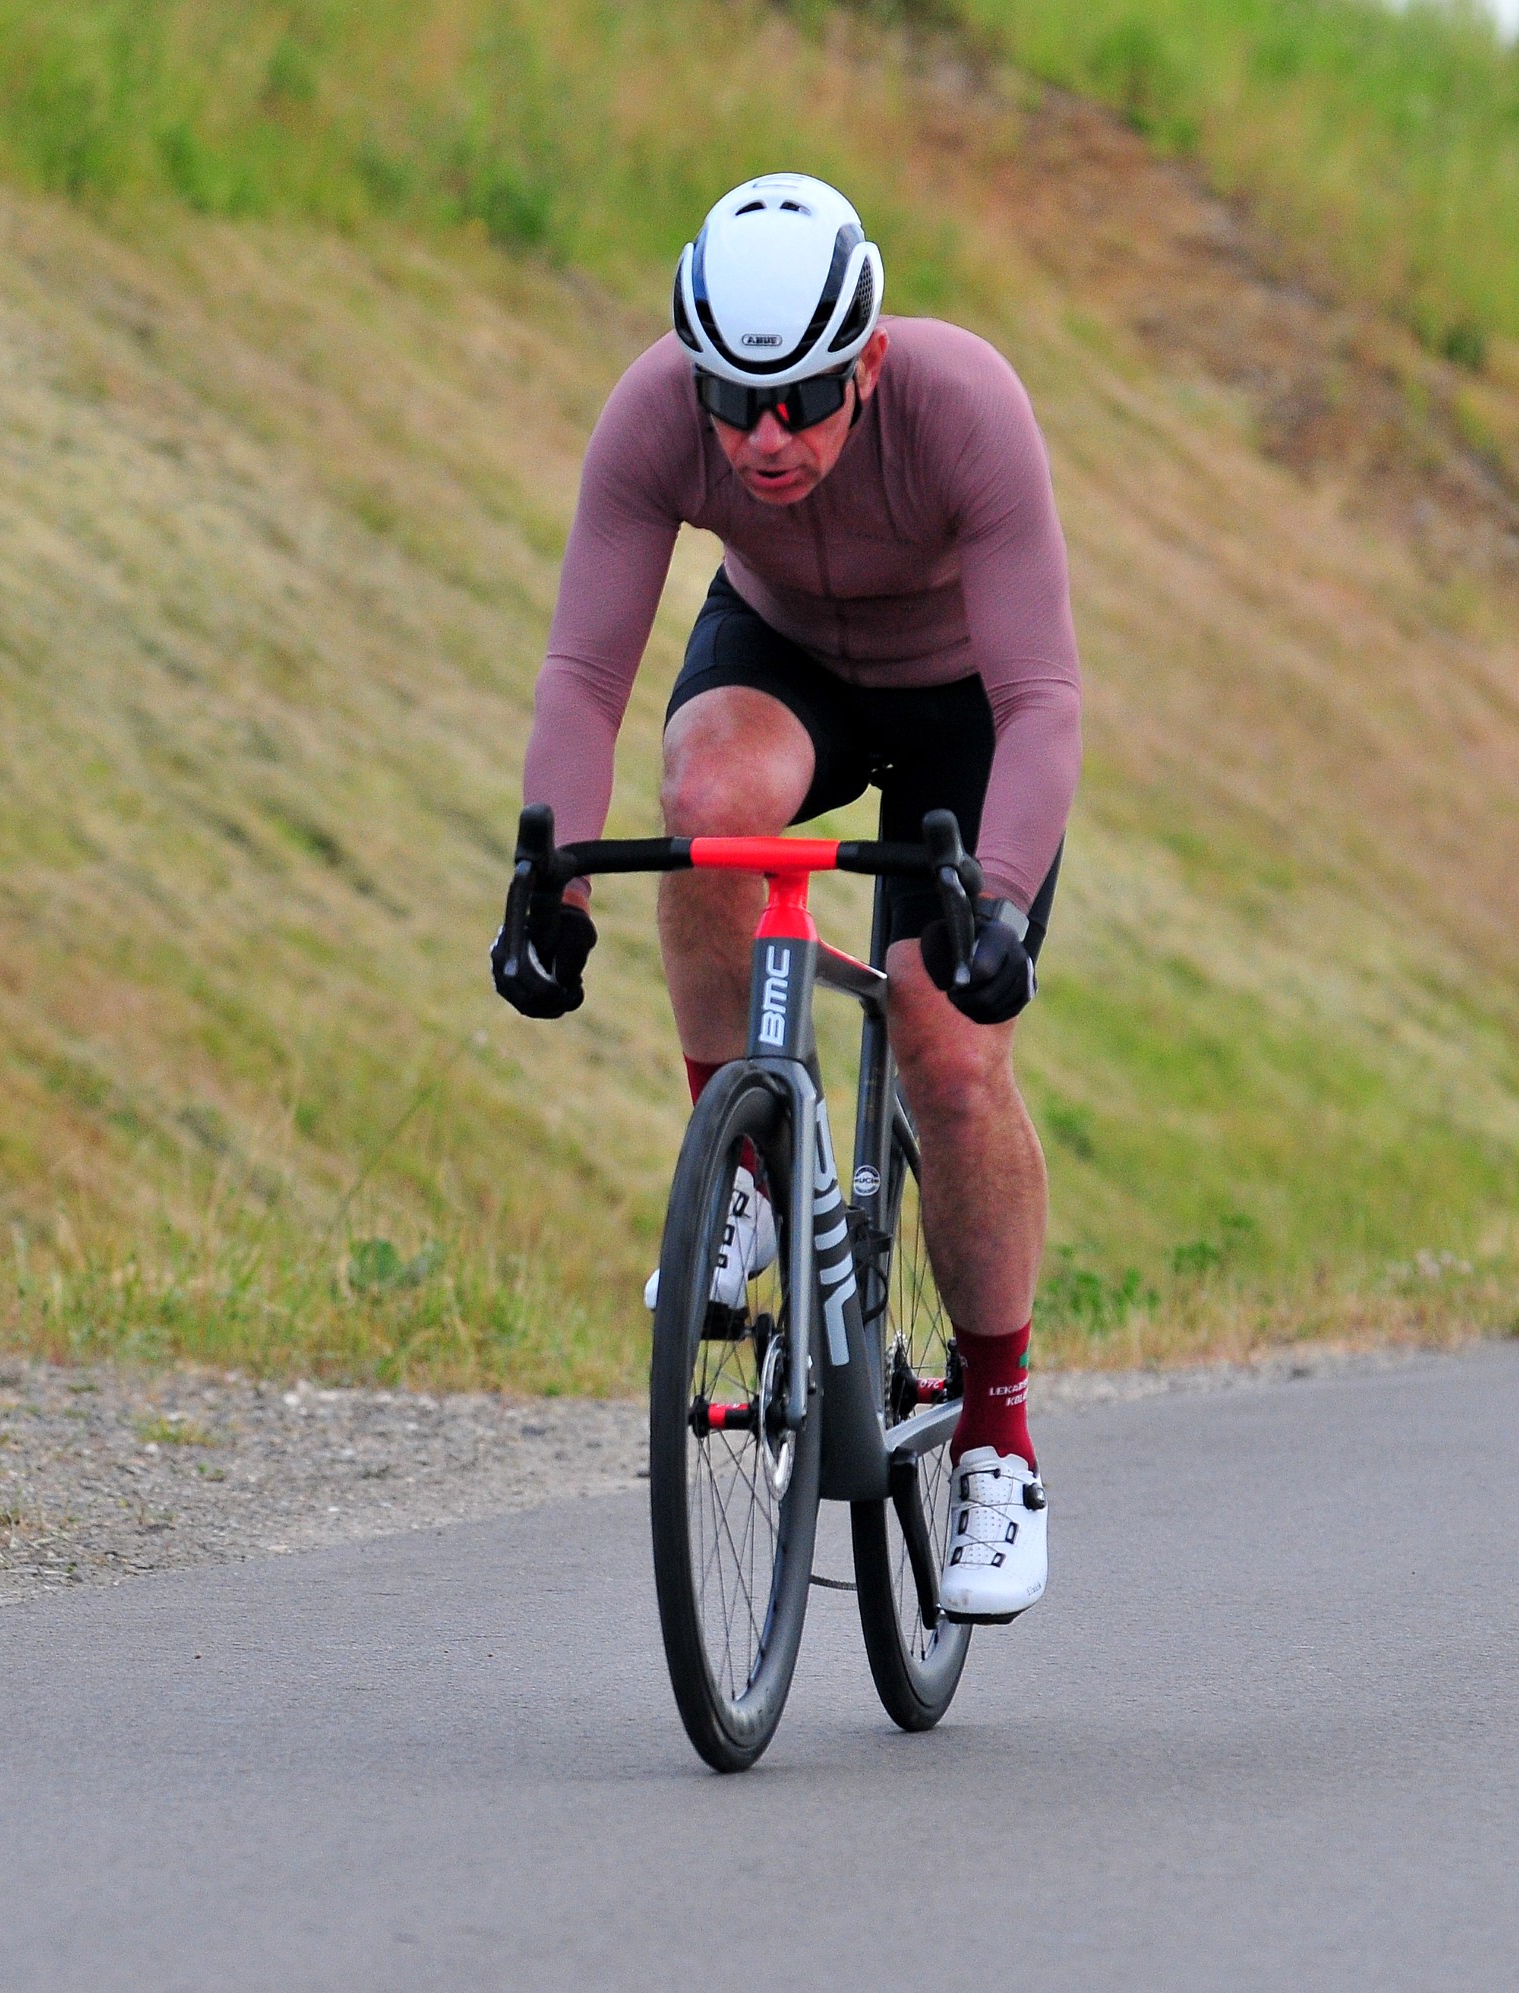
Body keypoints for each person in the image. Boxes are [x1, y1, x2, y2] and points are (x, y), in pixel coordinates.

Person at [490, 173, 1079, 1623]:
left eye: (802, 400)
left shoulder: (963, 406)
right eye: (732, 401)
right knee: (704, 807)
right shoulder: (655, 415)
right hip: (787, 655)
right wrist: (548, 879)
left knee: (949, 1050)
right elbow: (585, 675)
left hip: (964, 704)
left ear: (865, 363)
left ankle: (997, 1439)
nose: (763, 438)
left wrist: (1000, 901)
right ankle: (746, 1167)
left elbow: (1042, 697)